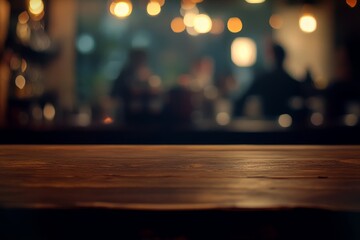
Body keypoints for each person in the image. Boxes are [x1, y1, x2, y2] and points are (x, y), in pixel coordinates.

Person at [234, 43, 303, 120]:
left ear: (272, 57)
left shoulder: (263, 79)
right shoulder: (291, 81)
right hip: (288, 126)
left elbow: (241, 100)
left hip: (267, 124)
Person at [110, 49, 153, 126]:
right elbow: (115, 92)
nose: (141, 61)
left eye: (142, 59)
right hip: (127, 113)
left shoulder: (147, 73)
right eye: (138, 58)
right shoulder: (125, 73)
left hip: (145, 113)